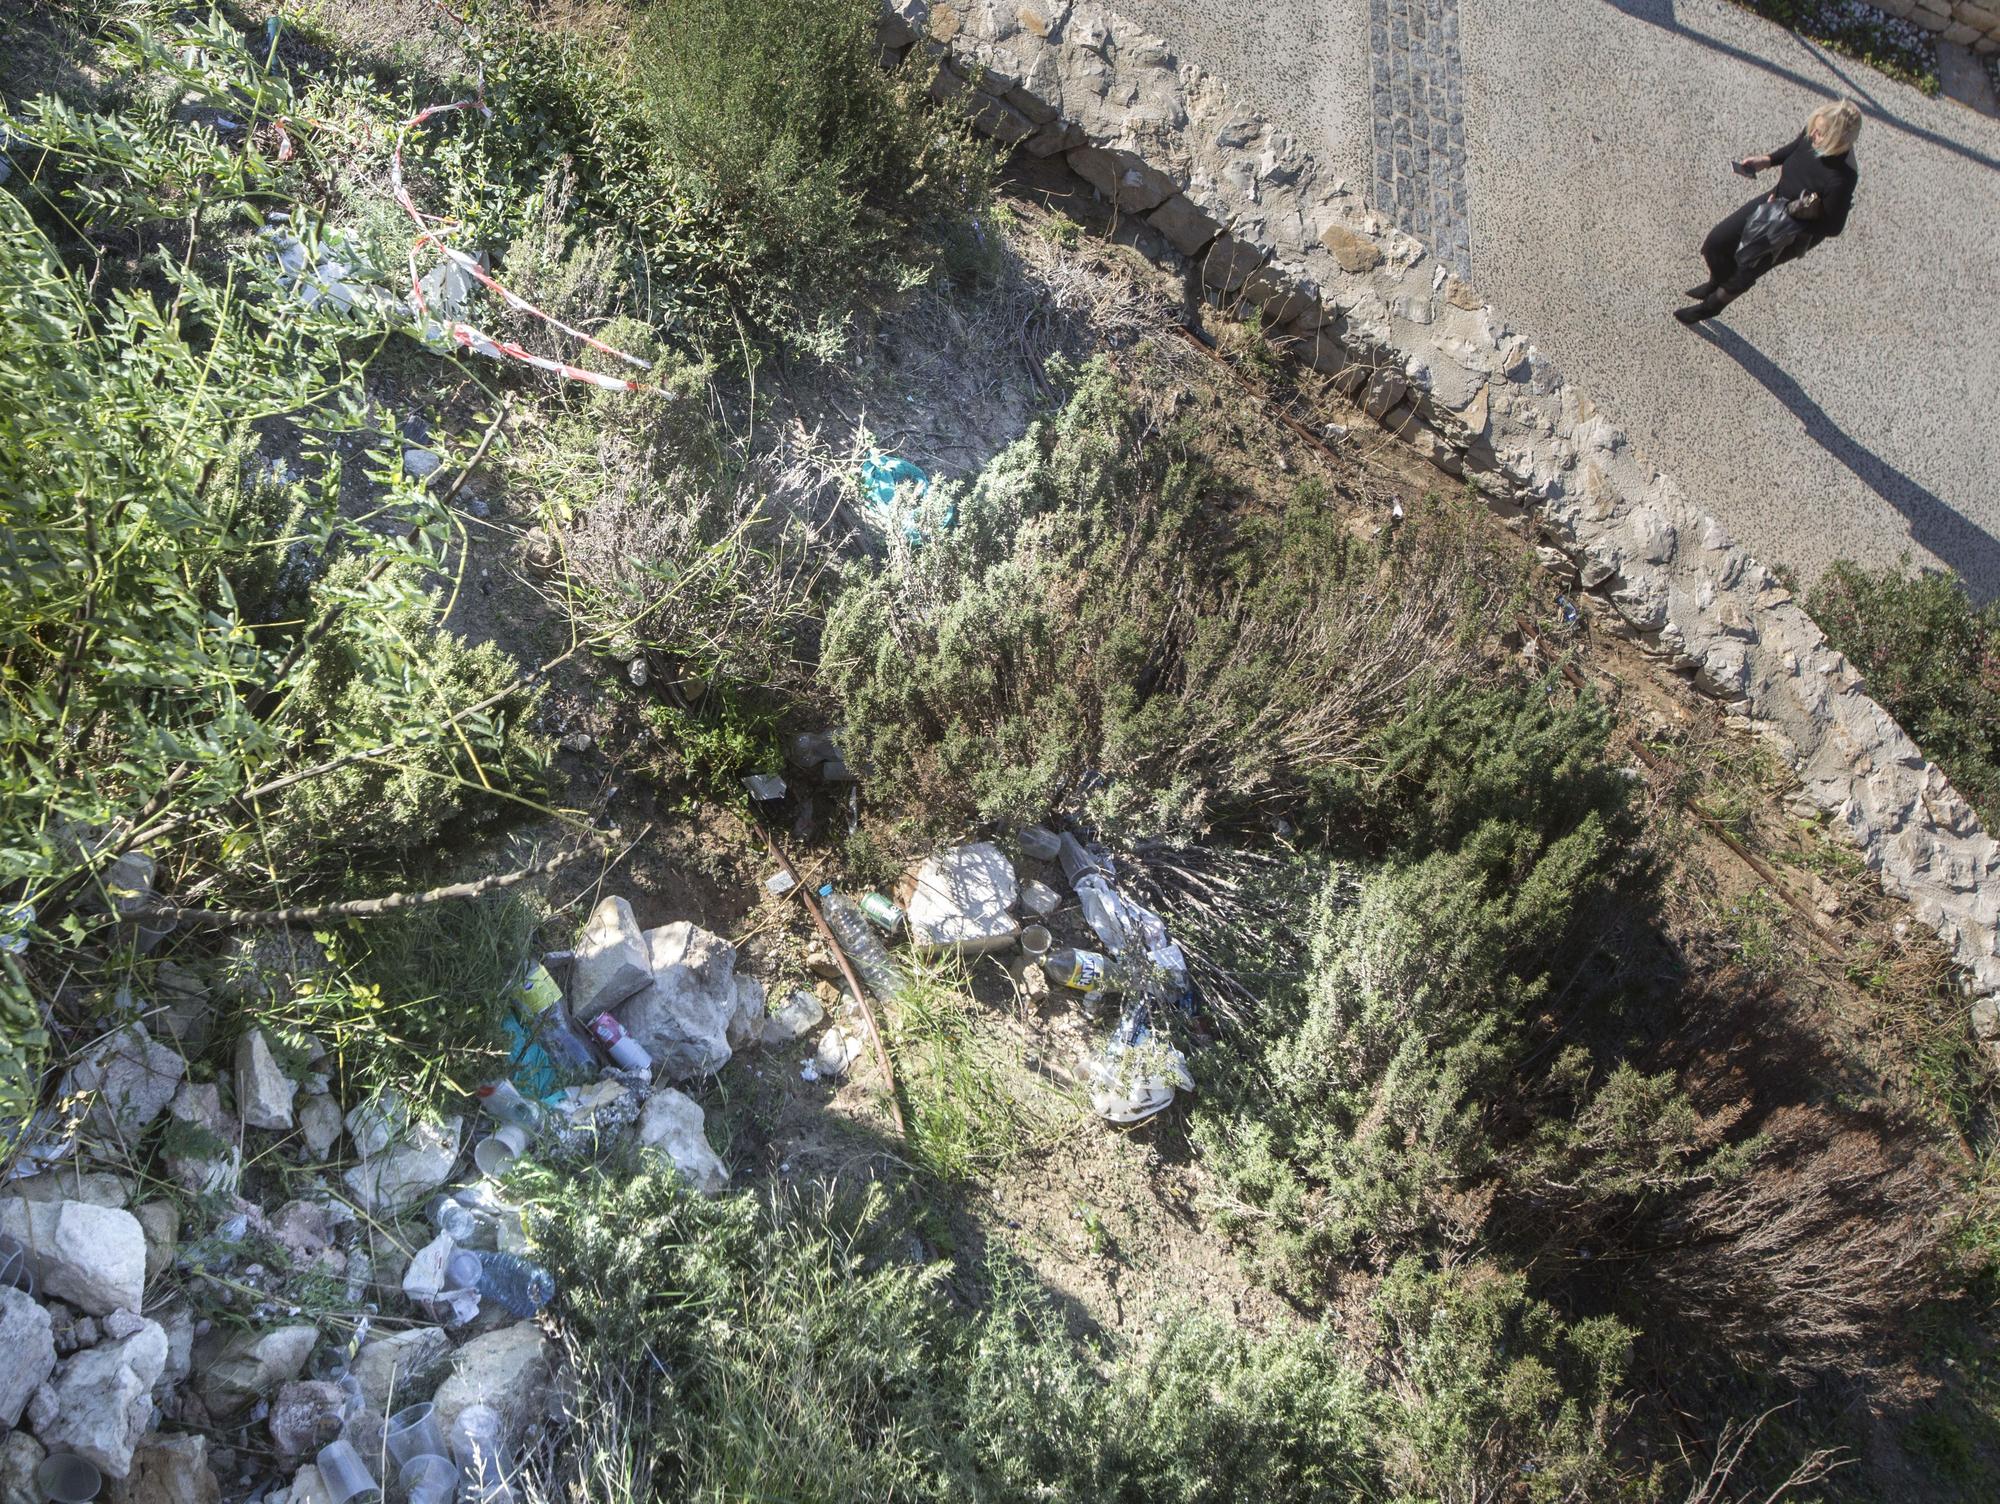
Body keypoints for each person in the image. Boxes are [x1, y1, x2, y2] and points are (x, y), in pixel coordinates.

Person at [1676, 99, 1861, 326]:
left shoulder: (1843, 178)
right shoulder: (1814, 134)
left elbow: (1833, 227)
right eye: (1814, 127)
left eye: (1820, 133)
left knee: (1747, 266)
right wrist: (1767, 160)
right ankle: (1717, 282)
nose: (1812, 134)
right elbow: (1796, 148)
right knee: (1718, 241)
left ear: (1838, 141)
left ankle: (1708, 308)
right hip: (1774, 201)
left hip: (1795, 229)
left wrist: (1791, 217)